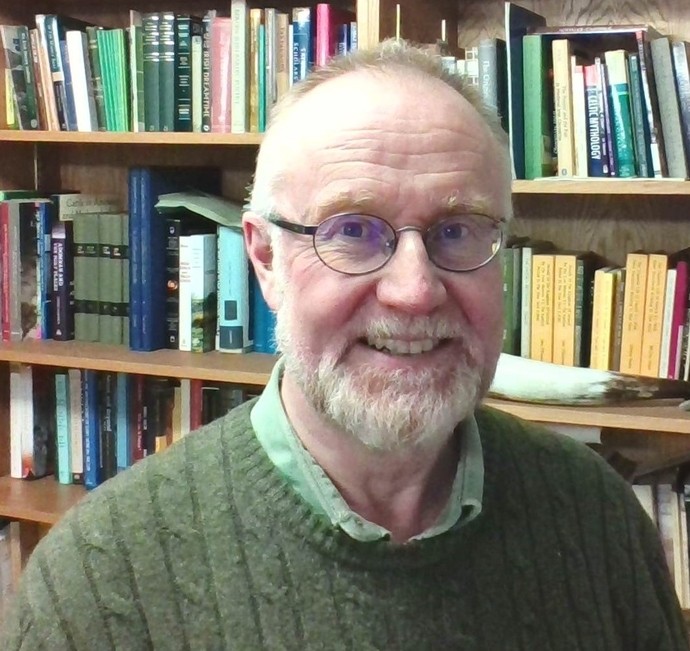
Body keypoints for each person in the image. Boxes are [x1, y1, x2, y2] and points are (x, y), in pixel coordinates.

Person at [2, 39, 688, 650]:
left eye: (458, 230)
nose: (415, 291)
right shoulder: (98, 583)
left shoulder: (597, 514)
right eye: (352, 231)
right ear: (265, 259)